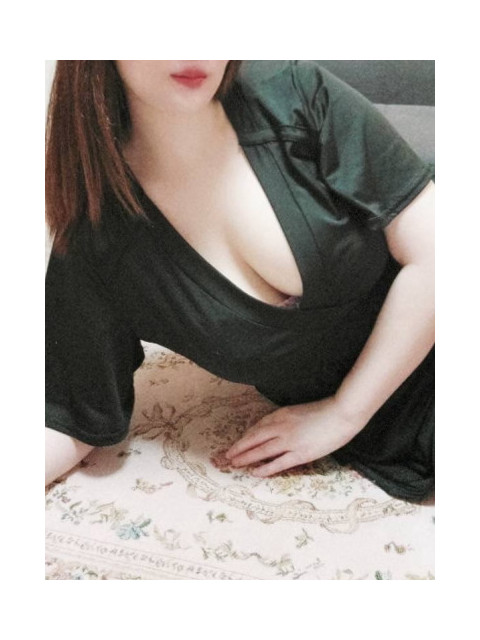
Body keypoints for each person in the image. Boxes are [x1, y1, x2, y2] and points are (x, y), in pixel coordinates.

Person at [45, 60, 434, 501]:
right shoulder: (97, 235)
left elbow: (440, 252)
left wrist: (344, 413)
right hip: (389, 438)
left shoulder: (294, 93)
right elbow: (68, 415)